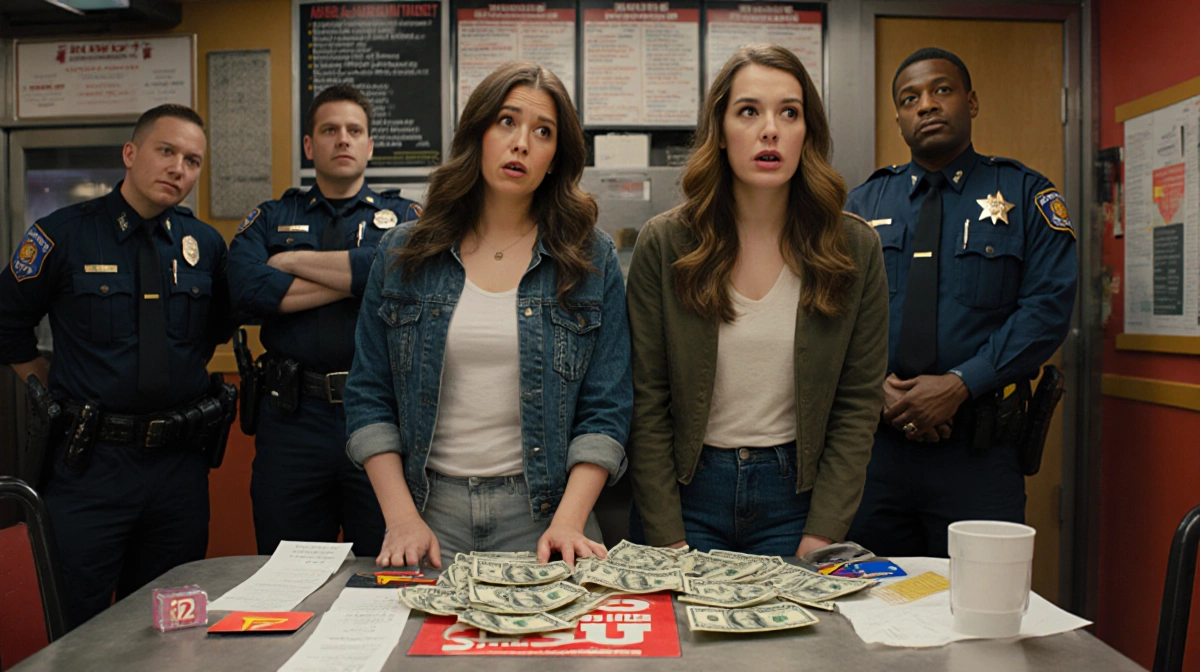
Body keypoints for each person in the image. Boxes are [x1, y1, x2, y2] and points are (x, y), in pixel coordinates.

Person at [343, 62, 632, 570]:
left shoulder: (590, 257)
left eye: (543, 132)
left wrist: (568, 521)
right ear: (477, 133)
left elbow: (606, 407)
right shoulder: (405, 252)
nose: (521, 143)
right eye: (507, 122)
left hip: (549, 517)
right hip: (429, 516)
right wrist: (402, 519)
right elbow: (369, 394)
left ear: (555, 159)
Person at [625, 44, 889, 558]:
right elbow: (645, 398)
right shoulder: (667, 242)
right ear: (720, 131)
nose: (770, 130)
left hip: (796, 499)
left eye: (789, 113)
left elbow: (858, 403)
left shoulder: (854, 247)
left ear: (807, 131)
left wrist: (822, 532)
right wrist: (668, 538)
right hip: (685, 494)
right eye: (749, 111)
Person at [0, 104, 236, 626]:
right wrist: (45, 387)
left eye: (192, 161)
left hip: (179, 466)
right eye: (166, 151)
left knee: (172, 624)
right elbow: (6, 321)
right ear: (130, 153)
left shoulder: (205, 246)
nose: (178, 168)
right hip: (91, 465)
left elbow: (213, 330)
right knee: (73, 622)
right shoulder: (62, 235)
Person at [844, 48, 1077, 557]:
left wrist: (958, 384)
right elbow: (829, 314)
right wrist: (873, 388)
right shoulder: (861, 205)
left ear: (971, 102)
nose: (926, 105)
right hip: (873, 454)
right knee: (867, 596)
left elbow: (1047, 310)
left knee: (982, 597)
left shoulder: (1026, 195)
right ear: (899, 118)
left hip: (978, 455)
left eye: (941, 90)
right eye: (910, 98)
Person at [226, 85, 420, 556]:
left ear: (370, 145)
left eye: (354, 130)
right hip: (292, 419)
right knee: (287, 569)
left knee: (384, 567)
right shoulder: (272, 216)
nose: (343, 139)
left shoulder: (405, 217)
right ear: (310, 146)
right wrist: (365, 277)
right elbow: (246, 288)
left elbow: (410, 274)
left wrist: (289, 262)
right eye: (330, 130)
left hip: (381, 417)